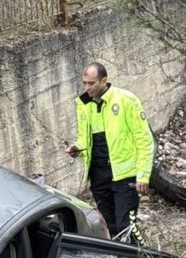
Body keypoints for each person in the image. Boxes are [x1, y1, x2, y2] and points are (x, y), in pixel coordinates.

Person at [66, 62, 154, 244]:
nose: (87, 88)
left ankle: (144, 257)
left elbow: (145, 140)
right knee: (109, 226)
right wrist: (77, 148)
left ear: (104, 80)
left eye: (91, 83)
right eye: (84, 83)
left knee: (126, 226)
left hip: (124, 176)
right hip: (99, 176)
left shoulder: (126, 100)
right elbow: (85, 138)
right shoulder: (84, 104)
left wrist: (143, 175)